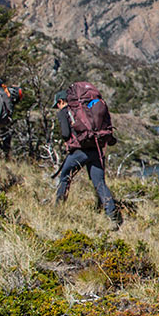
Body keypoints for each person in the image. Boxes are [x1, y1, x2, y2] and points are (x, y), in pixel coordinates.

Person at [53, 90, 121, 225]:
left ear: (61, 102)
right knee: (100, 183)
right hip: (96, 149)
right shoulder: (87, 109)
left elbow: (66, 134)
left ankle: (58, 210)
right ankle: (113, 217)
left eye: (57, 105)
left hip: (79, 151)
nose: (57, 108)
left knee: (65, 177)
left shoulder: (64, 112)